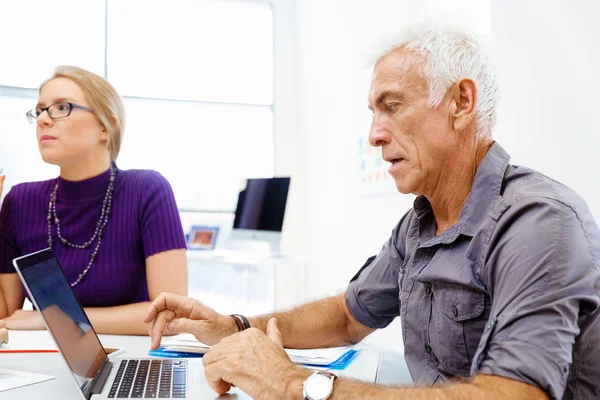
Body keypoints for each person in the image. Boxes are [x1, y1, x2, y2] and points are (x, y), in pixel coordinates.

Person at [144, 23, 600, 400]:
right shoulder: (418, 224)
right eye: (373, 112)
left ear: (462, 103)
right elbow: (348, 315)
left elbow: (514, 396)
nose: (375, 134)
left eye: (393, 106)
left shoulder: (541, 223)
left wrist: (292, 384)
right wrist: (233, 325)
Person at [0, 66, 188, 335]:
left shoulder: (147, 190)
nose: (43, 119)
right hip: (43, 359)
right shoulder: (19, 201)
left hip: (133, 358)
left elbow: (171, 316)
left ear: (105, 126)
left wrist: (53, 319)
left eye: (62, 107)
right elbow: (6, 315)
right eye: (40, 110)